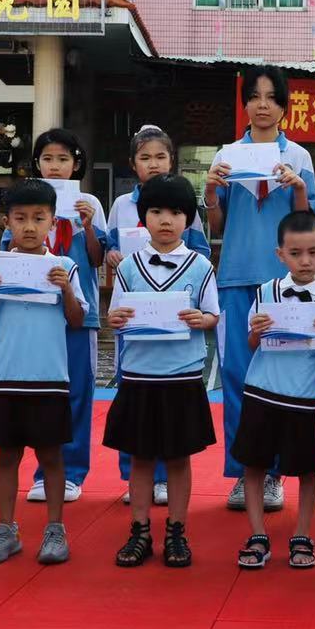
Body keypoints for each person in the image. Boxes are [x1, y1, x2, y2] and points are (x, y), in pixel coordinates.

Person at [205, 66, 315, 512]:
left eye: (272, 97)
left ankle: (274, 475)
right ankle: (242, 471)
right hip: (236, 277)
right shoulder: (227, 155)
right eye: (254, 96)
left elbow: (307, 223)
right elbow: (218, 224)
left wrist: (299, 188)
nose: (263, 105)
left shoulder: (299, 156)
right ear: (245, 104)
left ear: (284, 106)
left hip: (284, 283)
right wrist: (211, 193)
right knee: (236, 375)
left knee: (280, 378)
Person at [104, 174, 220, 569]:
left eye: (175, 212)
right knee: (140, 457)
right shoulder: (128, 266)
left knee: (178, 458)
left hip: (182, 376)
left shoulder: (200, 266)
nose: (166, 220)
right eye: (156, 212)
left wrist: (202, 319)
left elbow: (212, 314)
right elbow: (115, 316)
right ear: (143, 218)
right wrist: (115, 319)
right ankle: (139, 530)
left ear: (188, 218)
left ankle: (176, 531)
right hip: (139, 375)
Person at [0, 180, 85, 566]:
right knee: (7, 455)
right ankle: (6, 529)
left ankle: (55, 528)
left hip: (49, 377)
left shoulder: (64, 267)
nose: (30, 226)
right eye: (21, 218)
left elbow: (77, 320)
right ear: (7, 222)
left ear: (53, 222)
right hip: (4, 376)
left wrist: (66, 290)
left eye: (39, 218)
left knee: (51, 456)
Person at [105, 125, 211, 509]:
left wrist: (197, 310)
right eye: (145, 157)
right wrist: (112, 257)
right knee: (136, 424)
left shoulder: (186, 208)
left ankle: (168, 494)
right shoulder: (121, 205)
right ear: (132, 163)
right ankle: (135, 489)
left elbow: (201, 255)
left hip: (179, 352)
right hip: (139, 347)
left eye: (160, 156)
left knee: (176, 432)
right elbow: (109, 249)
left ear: (172, 160)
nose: (153, 163)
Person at [232, 210, 315, 570]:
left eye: (312, 252)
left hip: (304, 398)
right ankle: (257, 534)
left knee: (307, 469)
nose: (305, 260)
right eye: (295, 253)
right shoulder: (266, 291)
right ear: (280, 255)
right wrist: (257, 331)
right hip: (261, 392)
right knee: (254, 465)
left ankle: (302, 534)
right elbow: (251, 343)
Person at [13, 129, 106, 507]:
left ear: (76, 164)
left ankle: (73, 472)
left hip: (79, 313)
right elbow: (11, 254)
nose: (55, 166)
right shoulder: (26, 200)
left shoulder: (89, 202)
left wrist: (88, 226)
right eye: (48, 159)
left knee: (79, 392)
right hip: (37, 312)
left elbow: (98, 260)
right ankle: (44, 472)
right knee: (43, 394)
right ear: (37, 163)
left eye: (63, 159)